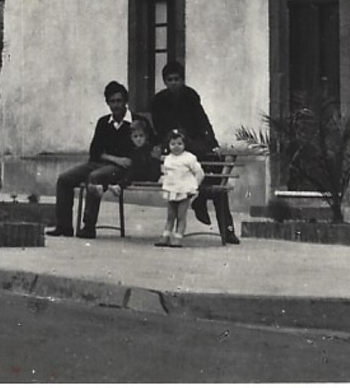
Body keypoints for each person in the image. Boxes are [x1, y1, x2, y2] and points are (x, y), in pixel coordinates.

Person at [149, 60, 241, 244]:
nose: (174, 83)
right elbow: (159, 128)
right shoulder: (159, 101)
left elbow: (203, 122)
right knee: (209, 175)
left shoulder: (190, 97)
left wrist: (212, 144)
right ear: (165, 82)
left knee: (217, 173)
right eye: (170, 80)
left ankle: (226, 228)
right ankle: (202, 201)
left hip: (193, 144)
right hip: (174, 145)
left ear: (182, 80)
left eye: (177, 79)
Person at [49, 81, 139, 239]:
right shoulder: (104, 122)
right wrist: (114, 158)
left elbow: (139, 152)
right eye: (112, 102)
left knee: (95, 177)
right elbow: (95, 151)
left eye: (119, 101)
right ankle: (64, 226)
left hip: (121, 170)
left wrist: (117, 161)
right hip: (101, 163)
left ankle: (89, 226)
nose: (116, 105)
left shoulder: (136, 122)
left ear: (126, 101)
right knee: (64, 179)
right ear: (107, 103)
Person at [156, 129, 206, 248]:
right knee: (170, 215)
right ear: (169, 145)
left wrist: (194, 187)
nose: (176, 147)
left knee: (181, 215)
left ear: (184, 144)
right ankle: (166, 236)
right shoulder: (168, 158)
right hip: (171, 189)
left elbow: (199, 173)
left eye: (179, 144)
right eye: (173, 144)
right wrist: (163, 180)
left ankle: (178, 237)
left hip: (184, 190)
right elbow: (166, 172)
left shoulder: (189, 158)